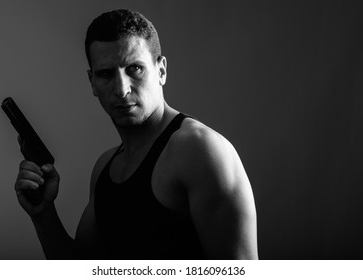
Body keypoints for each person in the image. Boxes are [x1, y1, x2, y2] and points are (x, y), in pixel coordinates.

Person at [14, 9, 258, 260]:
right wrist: (43, 213)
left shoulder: (199, 150)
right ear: (92, 83)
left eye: (134, 69)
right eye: (106, 74)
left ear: (161, 71)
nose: (121, 89)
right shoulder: (105, 167)